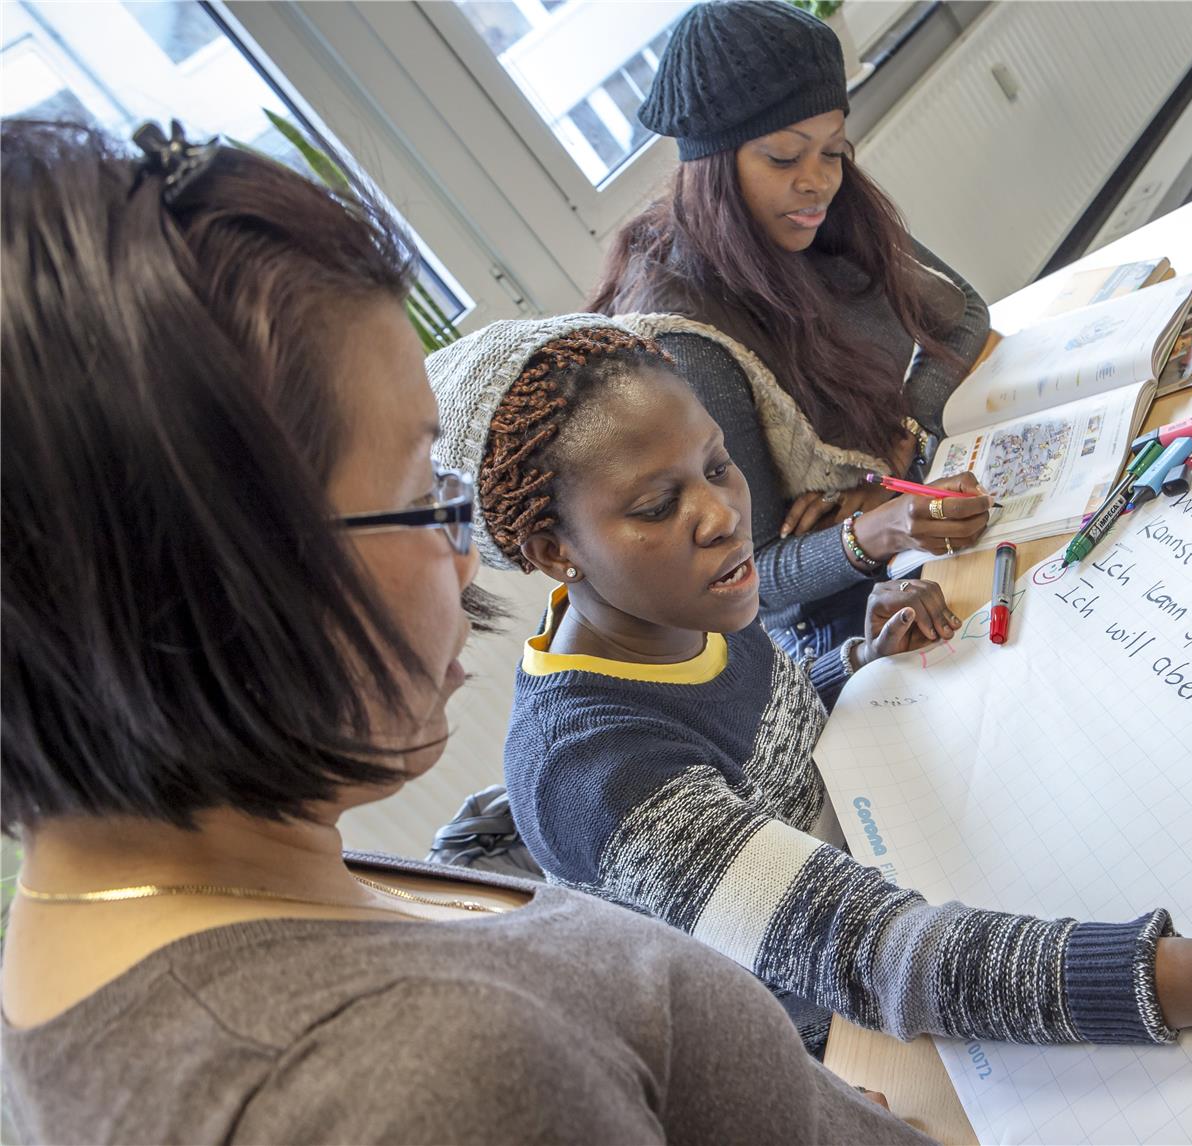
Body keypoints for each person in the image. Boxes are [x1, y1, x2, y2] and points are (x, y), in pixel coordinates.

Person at [0, 119, 929, 1146]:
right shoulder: (419, 1081)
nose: (464, 552)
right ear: (209, 580)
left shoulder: (155, 902)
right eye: (420, 495)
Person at [427, 314, 1192, 1062]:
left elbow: (760, 745)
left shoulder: (678, 605)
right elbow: (868, 957)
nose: (719, 514)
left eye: (717, 467)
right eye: (656, 503)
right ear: (551, 551)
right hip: (838, 1036)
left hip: (898, 851)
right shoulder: (594, 771)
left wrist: (844, 666)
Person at [589, 0, 996, 661]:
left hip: (906, 512)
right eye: (782, 158)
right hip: (833, 619)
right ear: (713, 166)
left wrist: (893, 450)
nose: (817, 183)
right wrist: (871, 529)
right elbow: (748, 577)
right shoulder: (685, 338)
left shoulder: (826, 210)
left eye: (833, 151)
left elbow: (963, 311)